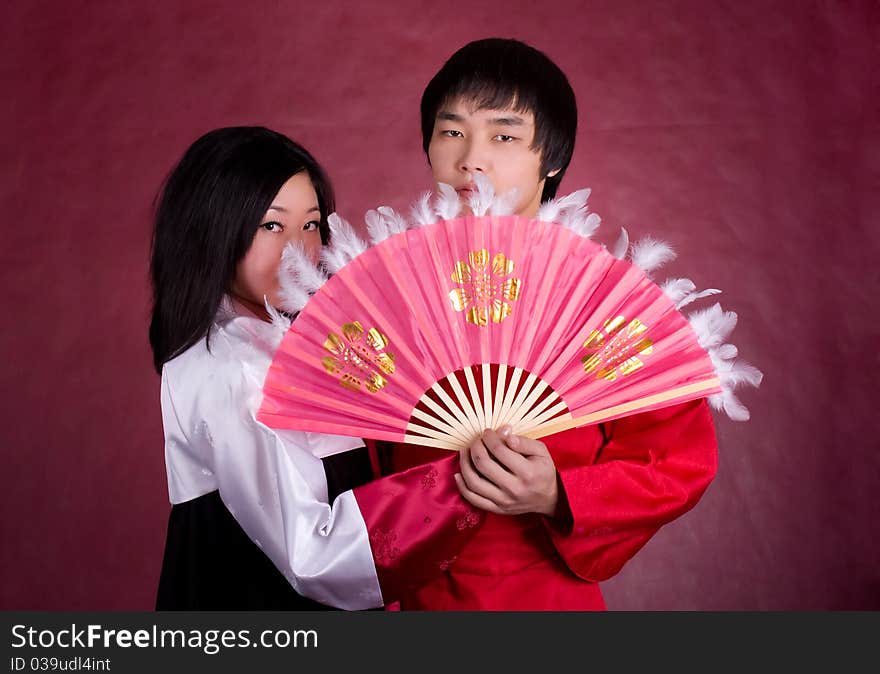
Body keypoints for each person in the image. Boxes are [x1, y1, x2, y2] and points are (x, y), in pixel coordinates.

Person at [379, 38, 720, 610]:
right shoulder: (385, 294)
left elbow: (679, 463)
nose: (472, 159)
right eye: (452, 131)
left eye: (504, 136)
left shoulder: (605, 301)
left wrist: (560, 493)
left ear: (552, 158)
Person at [149, 126, 518, 610]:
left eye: (310, 225)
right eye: (271, 226)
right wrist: (464, 478)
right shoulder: (229, 367)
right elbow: (313, 555)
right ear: (215, 230)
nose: (298, 250)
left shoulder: (291, 345)